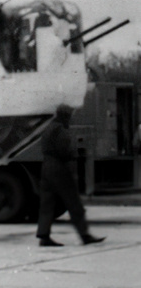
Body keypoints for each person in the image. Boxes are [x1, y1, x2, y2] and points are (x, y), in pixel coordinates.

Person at [36, 104, 104, 246]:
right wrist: (77, 154)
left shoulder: (48, 128)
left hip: (46, 166)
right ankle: (84, 235)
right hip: (59, 168)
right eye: (70, 115)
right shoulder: (60, 130)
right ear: (64, 115)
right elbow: (66, 150)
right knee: (73, 202)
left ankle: (44, 235)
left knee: (47, 203)